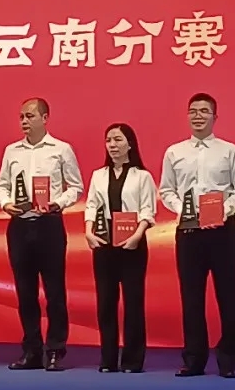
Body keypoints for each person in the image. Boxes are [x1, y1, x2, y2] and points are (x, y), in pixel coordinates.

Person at [159, 93, 235, 379]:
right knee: (191, 298)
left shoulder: (229, 151)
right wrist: (184, 211)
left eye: (204, 111)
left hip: (223, 232)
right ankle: (194, 360)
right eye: (193, 111)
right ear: (187, 116)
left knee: (230, 296)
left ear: (215, 117)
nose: (198, 116)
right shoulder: (174, 152)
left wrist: (223, 211)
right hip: (189, 232)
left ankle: (229, 360)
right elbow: (166, 190)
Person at [0, 97, 83, 372]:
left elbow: (76, 187)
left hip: (49, 225)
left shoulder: (61, 149)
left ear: (45, 118)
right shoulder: (12, 151)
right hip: (20, 226)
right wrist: (5, 204)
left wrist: (58, 203)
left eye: (30, 116)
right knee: (25, 292)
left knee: (54, 291)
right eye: (21, 116)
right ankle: (31, 350)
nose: (24, 121)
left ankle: (55, 350)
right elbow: (1, 186)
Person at [83, 123, 156, 373]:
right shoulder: (98, 175)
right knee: (105, 302)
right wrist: (89, 231)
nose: (112, 145)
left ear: (130, 144)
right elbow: (91, 206)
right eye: (108, 140)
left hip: (132, 243)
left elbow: (147, 210)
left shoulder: (142, 176)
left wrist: (137, 235)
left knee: (133, 302)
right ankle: (108, 359)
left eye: (118, 140)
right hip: (104, 243)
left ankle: (133, 360)